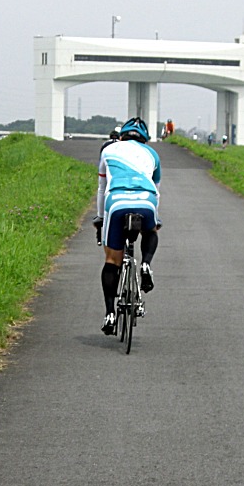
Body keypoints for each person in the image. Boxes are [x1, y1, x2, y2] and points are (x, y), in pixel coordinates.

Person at [93, 117, 161, 335]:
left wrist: (100, 218)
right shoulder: (153, 155)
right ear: (145, 139)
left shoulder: (108, 150)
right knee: (150, 231)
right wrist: (155, 218)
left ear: (121, 136)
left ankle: (110, 313)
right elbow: (156, 190)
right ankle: (146, 264)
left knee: (112, 261)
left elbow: (102, 188)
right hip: (146, 201)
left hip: (116, 202)